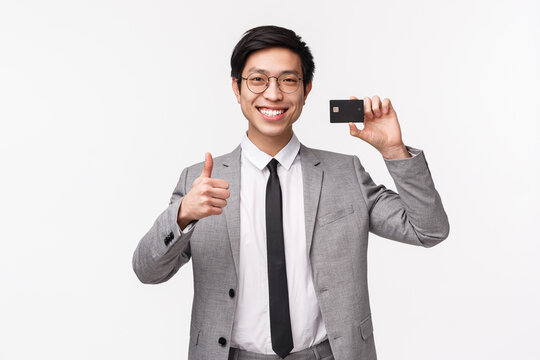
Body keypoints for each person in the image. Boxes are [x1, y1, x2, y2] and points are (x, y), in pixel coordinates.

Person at [132, 25, 449, 360]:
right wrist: (183, 215)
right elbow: (147, 271)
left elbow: (428, 229)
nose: (273, 94)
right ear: (237, 89)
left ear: (306, 89)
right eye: (257, 79)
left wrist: (395, 150)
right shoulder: (199, 181)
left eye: (288, 80)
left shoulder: (345, 173)